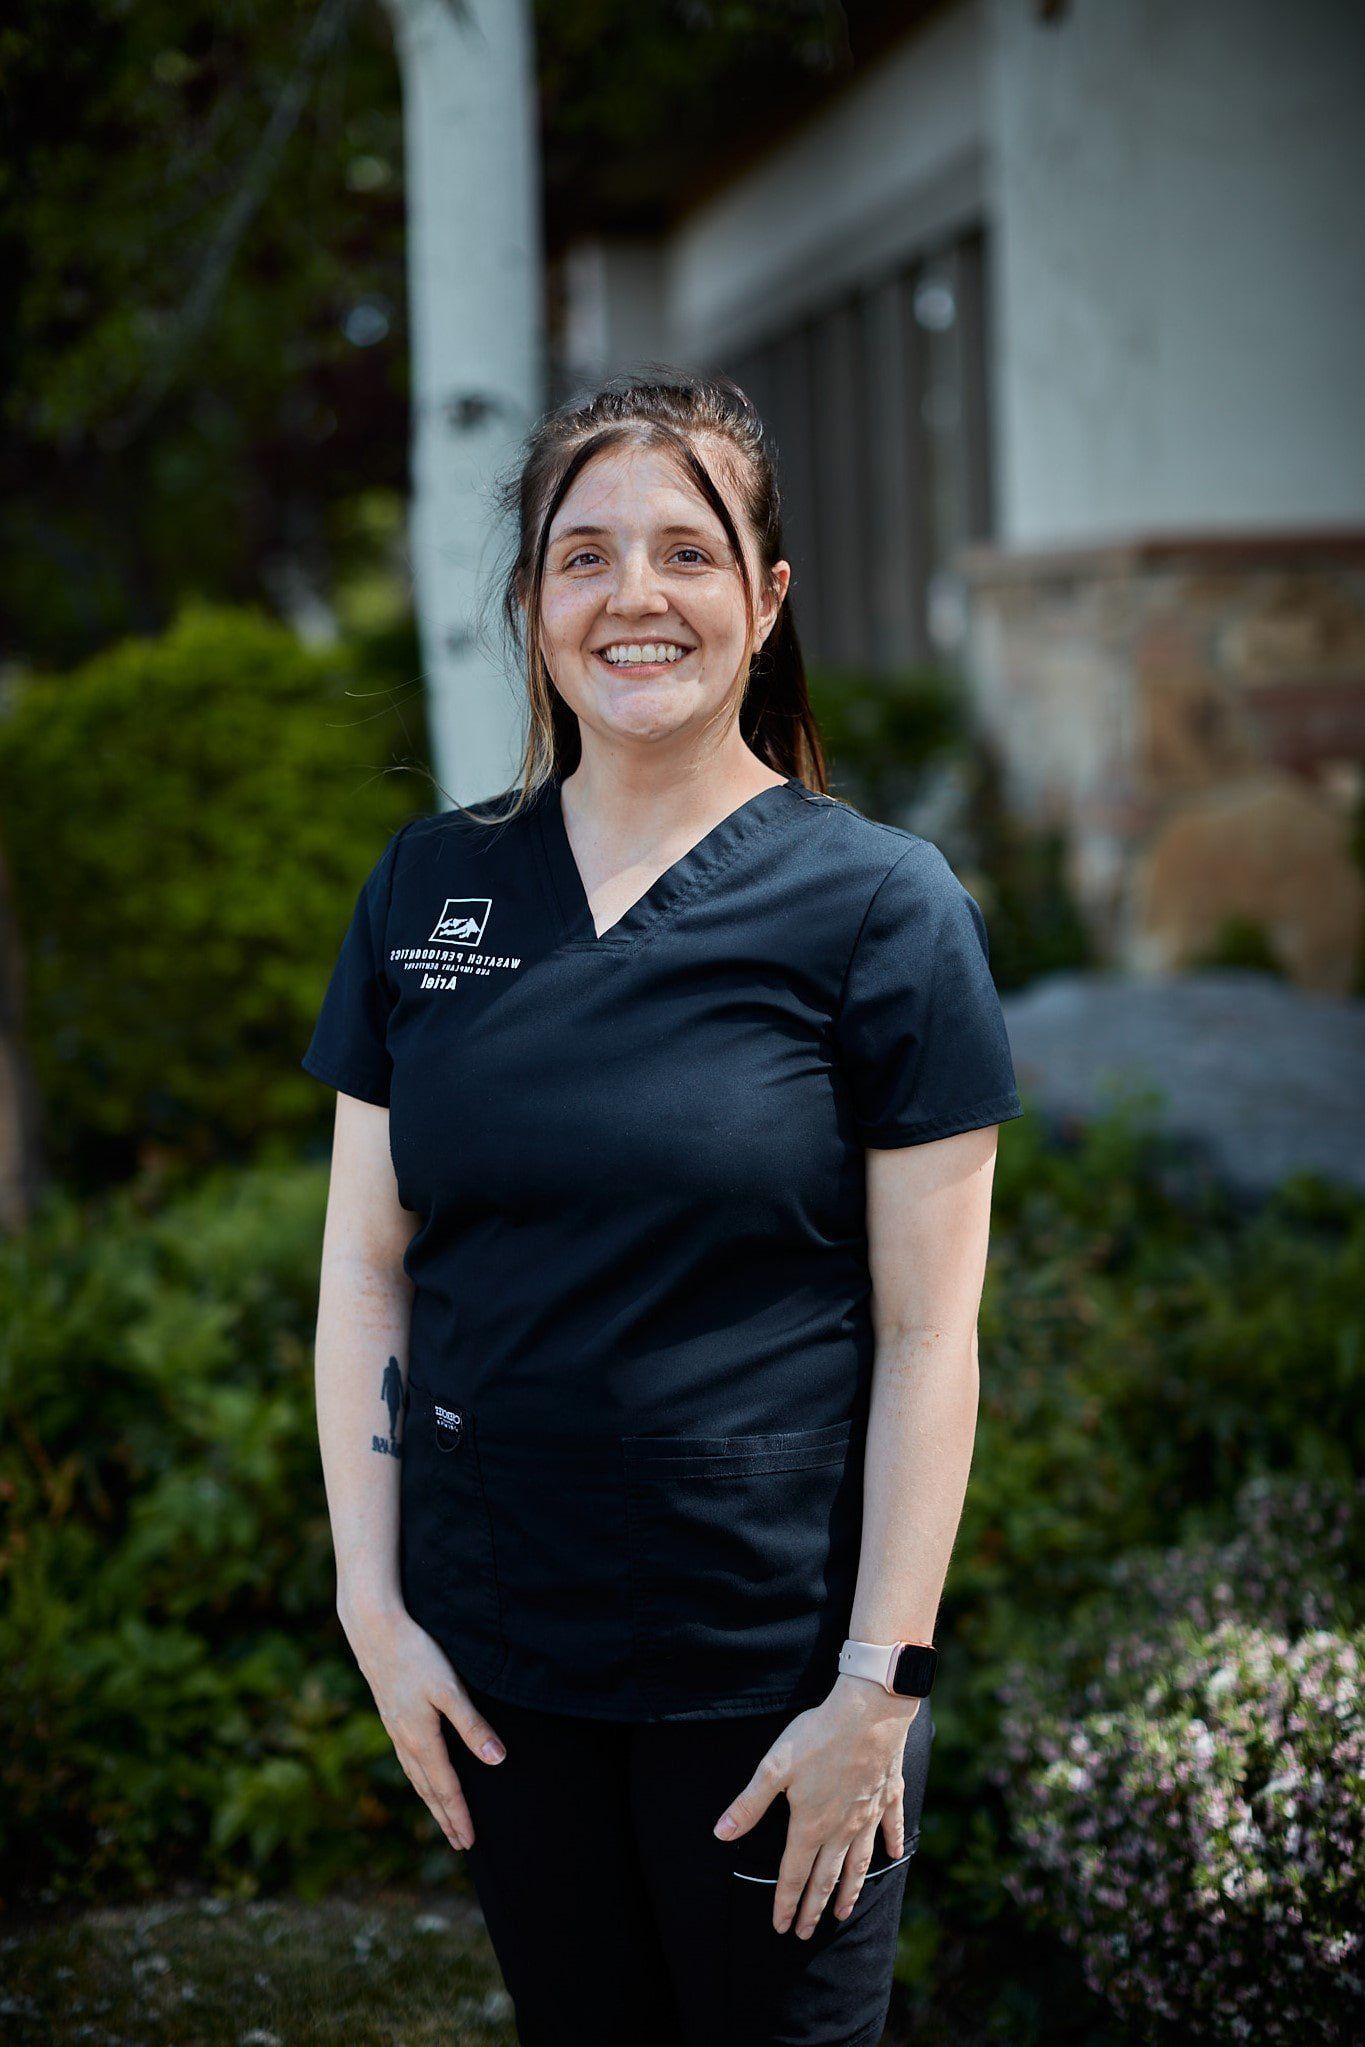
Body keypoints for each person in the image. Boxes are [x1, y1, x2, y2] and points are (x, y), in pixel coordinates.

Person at [303, 366, 1024, 2047]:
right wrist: (374, 1610)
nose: (635, 595)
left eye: (687, 554)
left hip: (772, 1672)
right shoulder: (431, 885)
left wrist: (875, 1692)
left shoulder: (878, 908)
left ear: (765, 602)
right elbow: (362, 1268)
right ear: (533, 606)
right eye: (584, 555)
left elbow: (931, 1337)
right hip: (497, 1661)